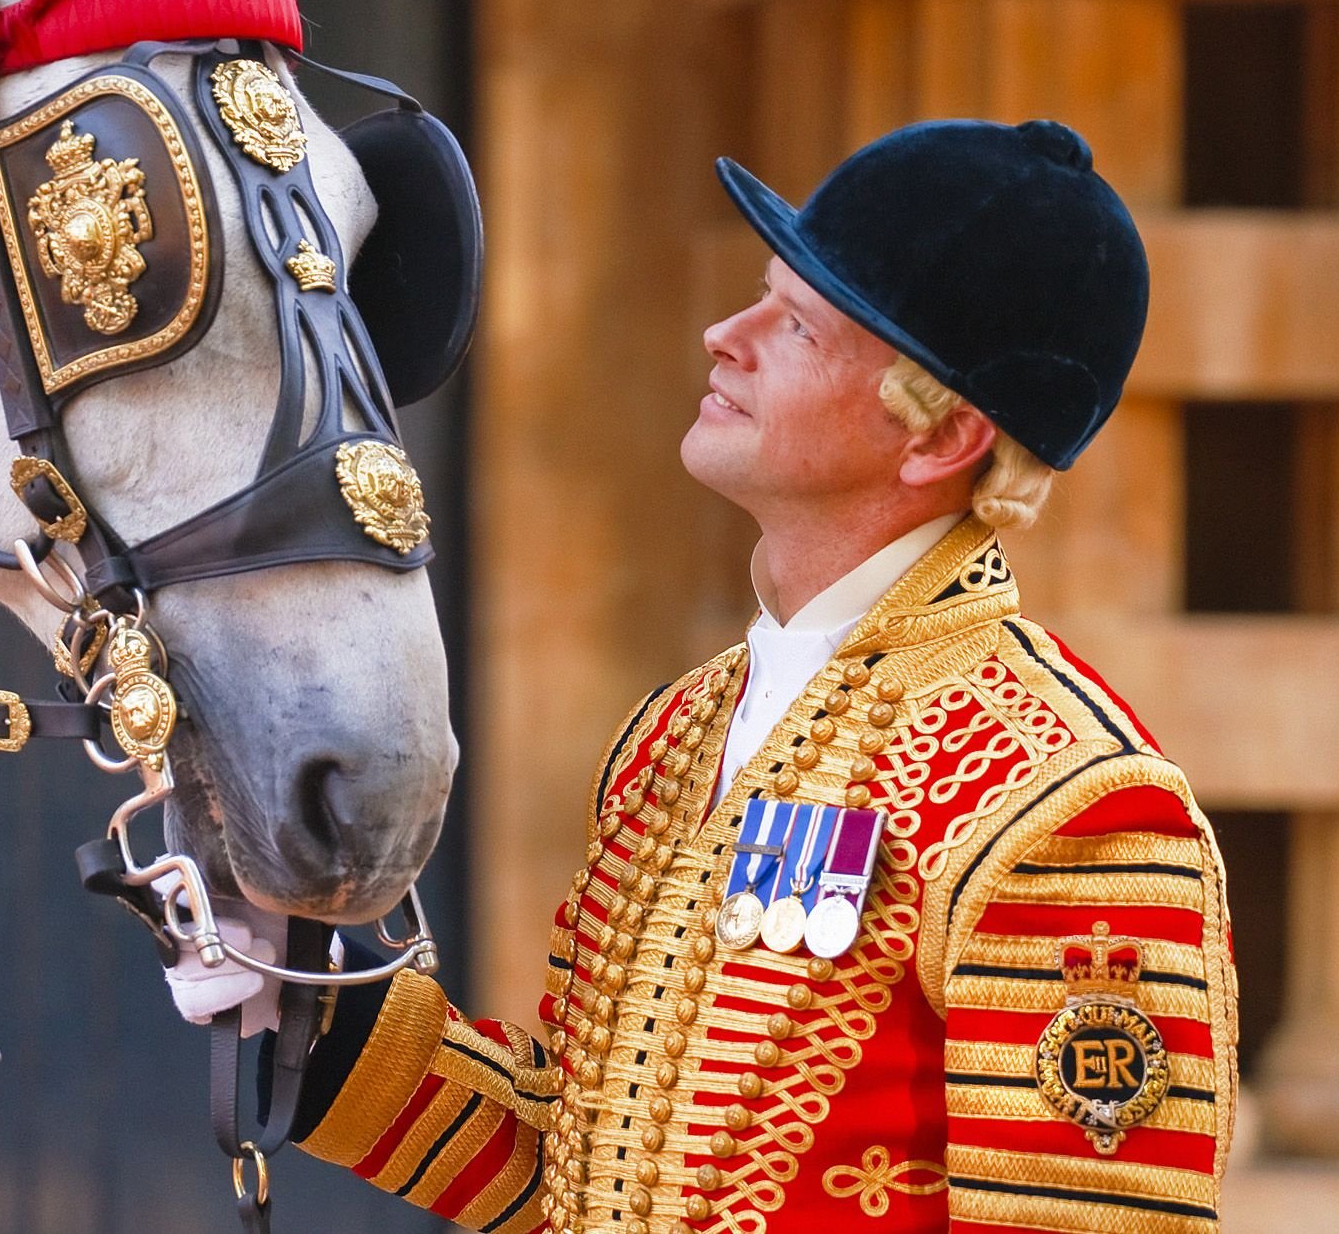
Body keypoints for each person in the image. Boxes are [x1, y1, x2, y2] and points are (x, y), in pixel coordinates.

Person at [175, 119, 1236, 1232]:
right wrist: (308, 1009)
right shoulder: (677, 729)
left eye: (799, 327)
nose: (724, 334)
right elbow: (581, 1176)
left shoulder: (1068, 805)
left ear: (940, 438)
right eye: (760, 295)